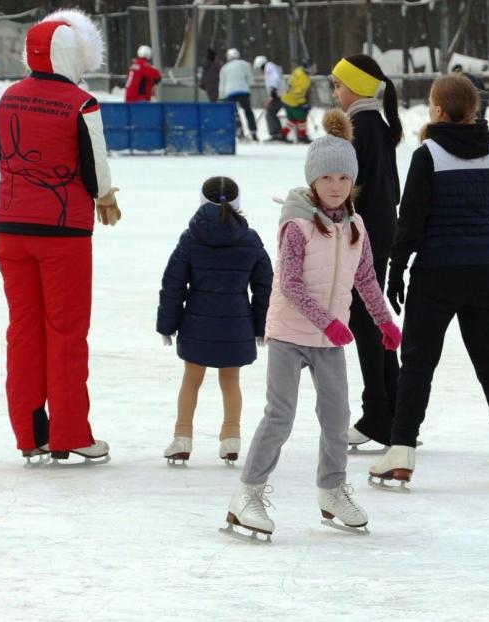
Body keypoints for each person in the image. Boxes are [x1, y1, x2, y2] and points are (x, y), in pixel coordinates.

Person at [222, 110, 402, 540]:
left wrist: (385, 321)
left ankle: (331, 489)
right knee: (280, 417)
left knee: (336, 416)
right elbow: (290, 284)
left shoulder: (356, 226)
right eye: (328, 179)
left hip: (329, 338)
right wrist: (330, 322)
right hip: (290, 333)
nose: (336, 186)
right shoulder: (298, 225)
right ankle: (246, 493)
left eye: (343, 178)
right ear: (313, 182)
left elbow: (366, 280)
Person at [368, 75, 489, 490]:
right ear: (473, 109)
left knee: (418, 363)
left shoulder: (429, 155)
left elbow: (412, 221)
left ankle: (401, 451)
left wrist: (396, 269)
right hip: (483, 273)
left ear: (437, 110)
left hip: (436, 275)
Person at [0, 9, 118, 465]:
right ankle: (69, 433)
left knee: (23, 331)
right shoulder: (81, 103)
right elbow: (96, 167)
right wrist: (105, 197)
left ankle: (30, 433)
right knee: (66, 332)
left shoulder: (8, 97)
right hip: (62, 231)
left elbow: (2, 154)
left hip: (10, 227)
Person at [157, 177, 272, 466]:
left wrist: (167, 324)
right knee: (230, 380)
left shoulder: (191, 237)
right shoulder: (250, 238)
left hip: (197, 322)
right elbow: (264, 286)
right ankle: (231, 438)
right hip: (236, 324)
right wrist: (261, 326)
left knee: (191, 380)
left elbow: (173, 283)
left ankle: (183, 437)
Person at [330, 54, 403, 452]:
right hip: (376, 234)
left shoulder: (361, 127)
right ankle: (396, 411)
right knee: (374, 323)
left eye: (338, 85)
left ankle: (379, 413)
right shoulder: (377, 125)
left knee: (367, 324)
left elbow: (354, 190)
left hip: (364, 239)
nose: (336, 92)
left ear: (355, 86)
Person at [219, 48, 257, 141]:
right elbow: (250, 79)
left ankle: (239, 131)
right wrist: (249, 85)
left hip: (230, 92)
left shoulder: (224, 68)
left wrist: (221, 96)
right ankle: (253, 131)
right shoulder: (245, 64)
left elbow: (222, 83)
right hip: (243, 91)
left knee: (234, 113)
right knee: (248, 111)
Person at [279, 59, 313, 144]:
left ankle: (283, 134)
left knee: (292, 119)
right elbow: (297, 94)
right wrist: (304, 103)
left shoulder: (298, 70)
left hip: (286, 98)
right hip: (293, 101)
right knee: (302, 117)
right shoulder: (304, 79)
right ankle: (302, 136)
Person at [253, 55, 286, 141]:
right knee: (271, 112)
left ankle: (275, 133)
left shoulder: (269, 67)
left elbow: (275, 78)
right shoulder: (271, 67)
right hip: (279, 94)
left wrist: (273, 89)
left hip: (280, 94)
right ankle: (278, 132)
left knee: (270, 112)